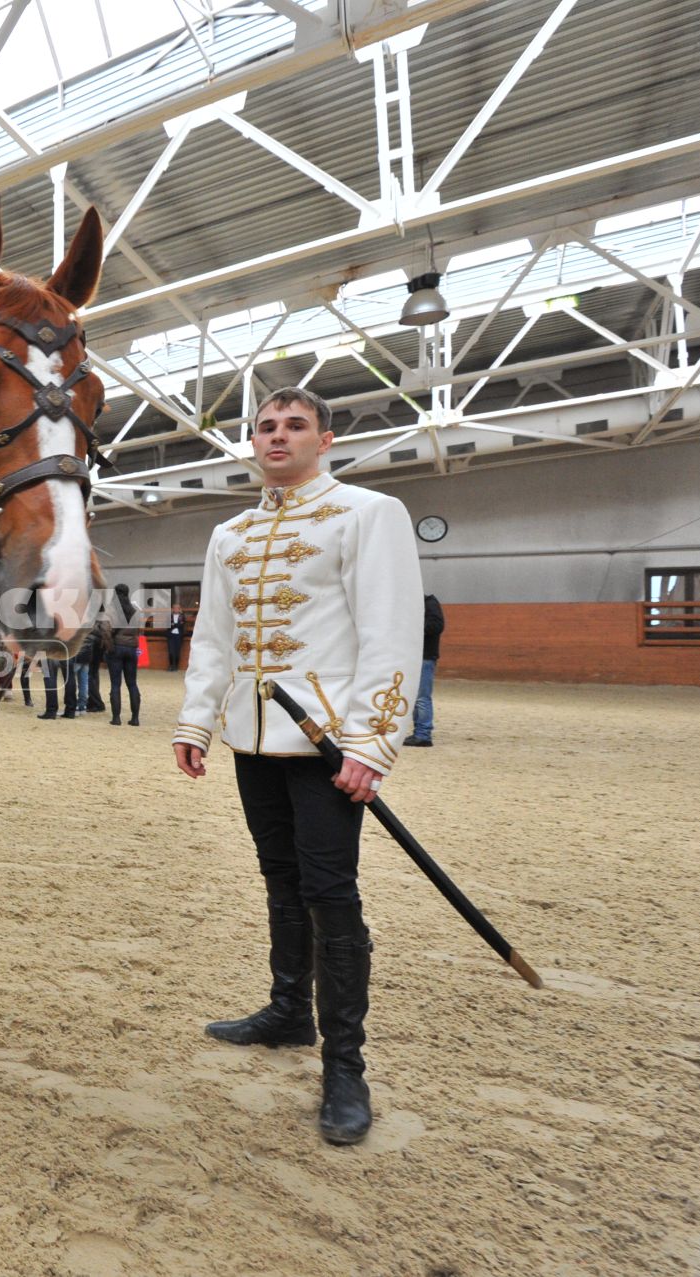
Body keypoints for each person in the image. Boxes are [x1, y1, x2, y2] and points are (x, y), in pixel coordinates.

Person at [170, 386, 423, 1147]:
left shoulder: (367, 513)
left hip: (325, 744)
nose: (278, 436)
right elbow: (214, 637)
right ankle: (288, 1011)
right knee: (279, 877)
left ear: (326, 438)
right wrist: (196, 719)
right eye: (266, 426)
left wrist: (372, 744)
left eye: (294, 425)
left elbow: (389, 631)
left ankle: (346, 1064)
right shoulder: (231, 533)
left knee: (329, 892)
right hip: (253, 738)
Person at [404, 594, 444, 747]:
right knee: (415, 697)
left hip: (425, 656)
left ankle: (423, 734)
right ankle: (419, 732)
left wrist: (411, 628)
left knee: (421, 697)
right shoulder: (413, 603)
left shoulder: (429, 602)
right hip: (414, 657)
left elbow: (437, 626)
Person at [103, 583, 143, 726]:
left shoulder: (112, 609)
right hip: (131, 649)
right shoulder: (135, 611)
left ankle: (116, 718)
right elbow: (139, 630)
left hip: (117, 648)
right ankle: (135, 718)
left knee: (115, 684)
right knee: (132, 684)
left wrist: (109, 648)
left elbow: (106, 630)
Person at [167, 602, 187, 672]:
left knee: (177, 651)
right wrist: (176, 624)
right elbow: (168, 625)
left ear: (179, 609)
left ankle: (176, 666)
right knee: (171, 651)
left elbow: (181, 625)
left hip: (179, 635)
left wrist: (173, 624)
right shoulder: (169, 616)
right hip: (171, 635)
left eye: (177, 608)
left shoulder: (182, 616)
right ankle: (171, 665)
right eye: (174, 608)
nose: (175, 609)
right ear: (172, 609)